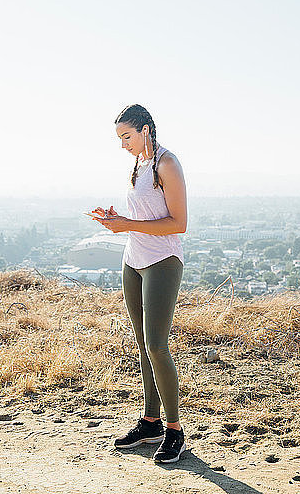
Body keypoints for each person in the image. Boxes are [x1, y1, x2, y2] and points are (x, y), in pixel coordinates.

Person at [90, 103, 187, 464]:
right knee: (143, 344)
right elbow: (145, 214)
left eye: (126, 136)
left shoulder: (167, 164)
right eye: (119, 138)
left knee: (157, 346)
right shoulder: (139, 164)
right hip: (133, 261)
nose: (122, 145)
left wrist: (127, 223)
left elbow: (178, 223)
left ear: (146, 129)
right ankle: (151, 423)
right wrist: (118, 219)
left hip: (162, 263)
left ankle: (175, 430)